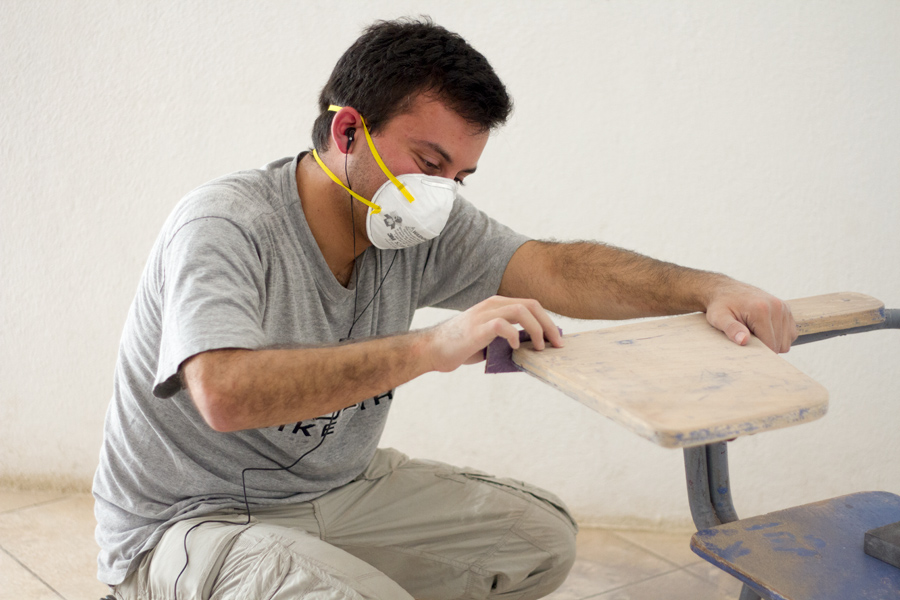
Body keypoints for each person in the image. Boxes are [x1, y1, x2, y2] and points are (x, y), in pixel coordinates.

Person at [93, 17, 797, 600]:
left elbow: (555, 268)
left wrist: (706, 287)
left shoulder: (415, 224)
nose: (442, 193)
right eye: (429, 164)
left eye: (460, 175)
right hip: (189, 522)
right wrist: (431, 348)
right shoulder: (226, 223)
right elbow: (223, 393)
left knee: (537, 543)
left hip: (339, 490)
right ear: (346, 133)